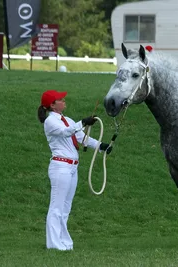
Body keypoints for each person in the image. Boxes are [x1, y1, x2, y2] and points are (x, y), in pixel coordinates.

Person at [37, 90, 112, 251]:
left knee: (66, 206)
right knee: (57, 206)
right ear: (52, 105)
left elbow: (81, 138)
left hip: (72, 167)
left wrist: (101, 146)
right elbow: (65, 132)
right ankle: (54, 244)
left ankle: (64, 243)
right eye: (60, 99)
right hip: (60, 167)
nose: (64, 101)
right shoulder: (50, 121)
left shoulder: (67, 119)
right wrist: (82, 123)